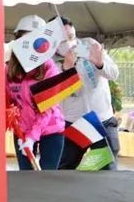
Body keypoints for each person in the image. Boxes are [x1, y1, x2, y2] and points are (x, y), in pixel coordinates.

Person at [50, 16, 120, 170]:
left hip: (102, 119)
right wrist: (65, 70)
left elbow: (114, 73)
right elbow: (52, 95)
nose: (69, 43)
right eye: (62, 40)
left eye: (71, 37)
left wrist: (99, 64)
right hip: (74, 122)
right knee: (66, 170)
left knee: (107, 170)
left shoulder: (89, 45)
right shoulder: (50, 61)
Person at [6, 15, 65, 170]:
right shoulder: (9, 70)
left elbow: (47, 108)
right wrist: (18, 129)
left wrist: (32, 137)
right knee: (26, 179)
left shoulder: (50, 69)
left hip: (50, 129)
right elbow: (7, 102)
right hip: (22, 132)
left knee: (47, 179)